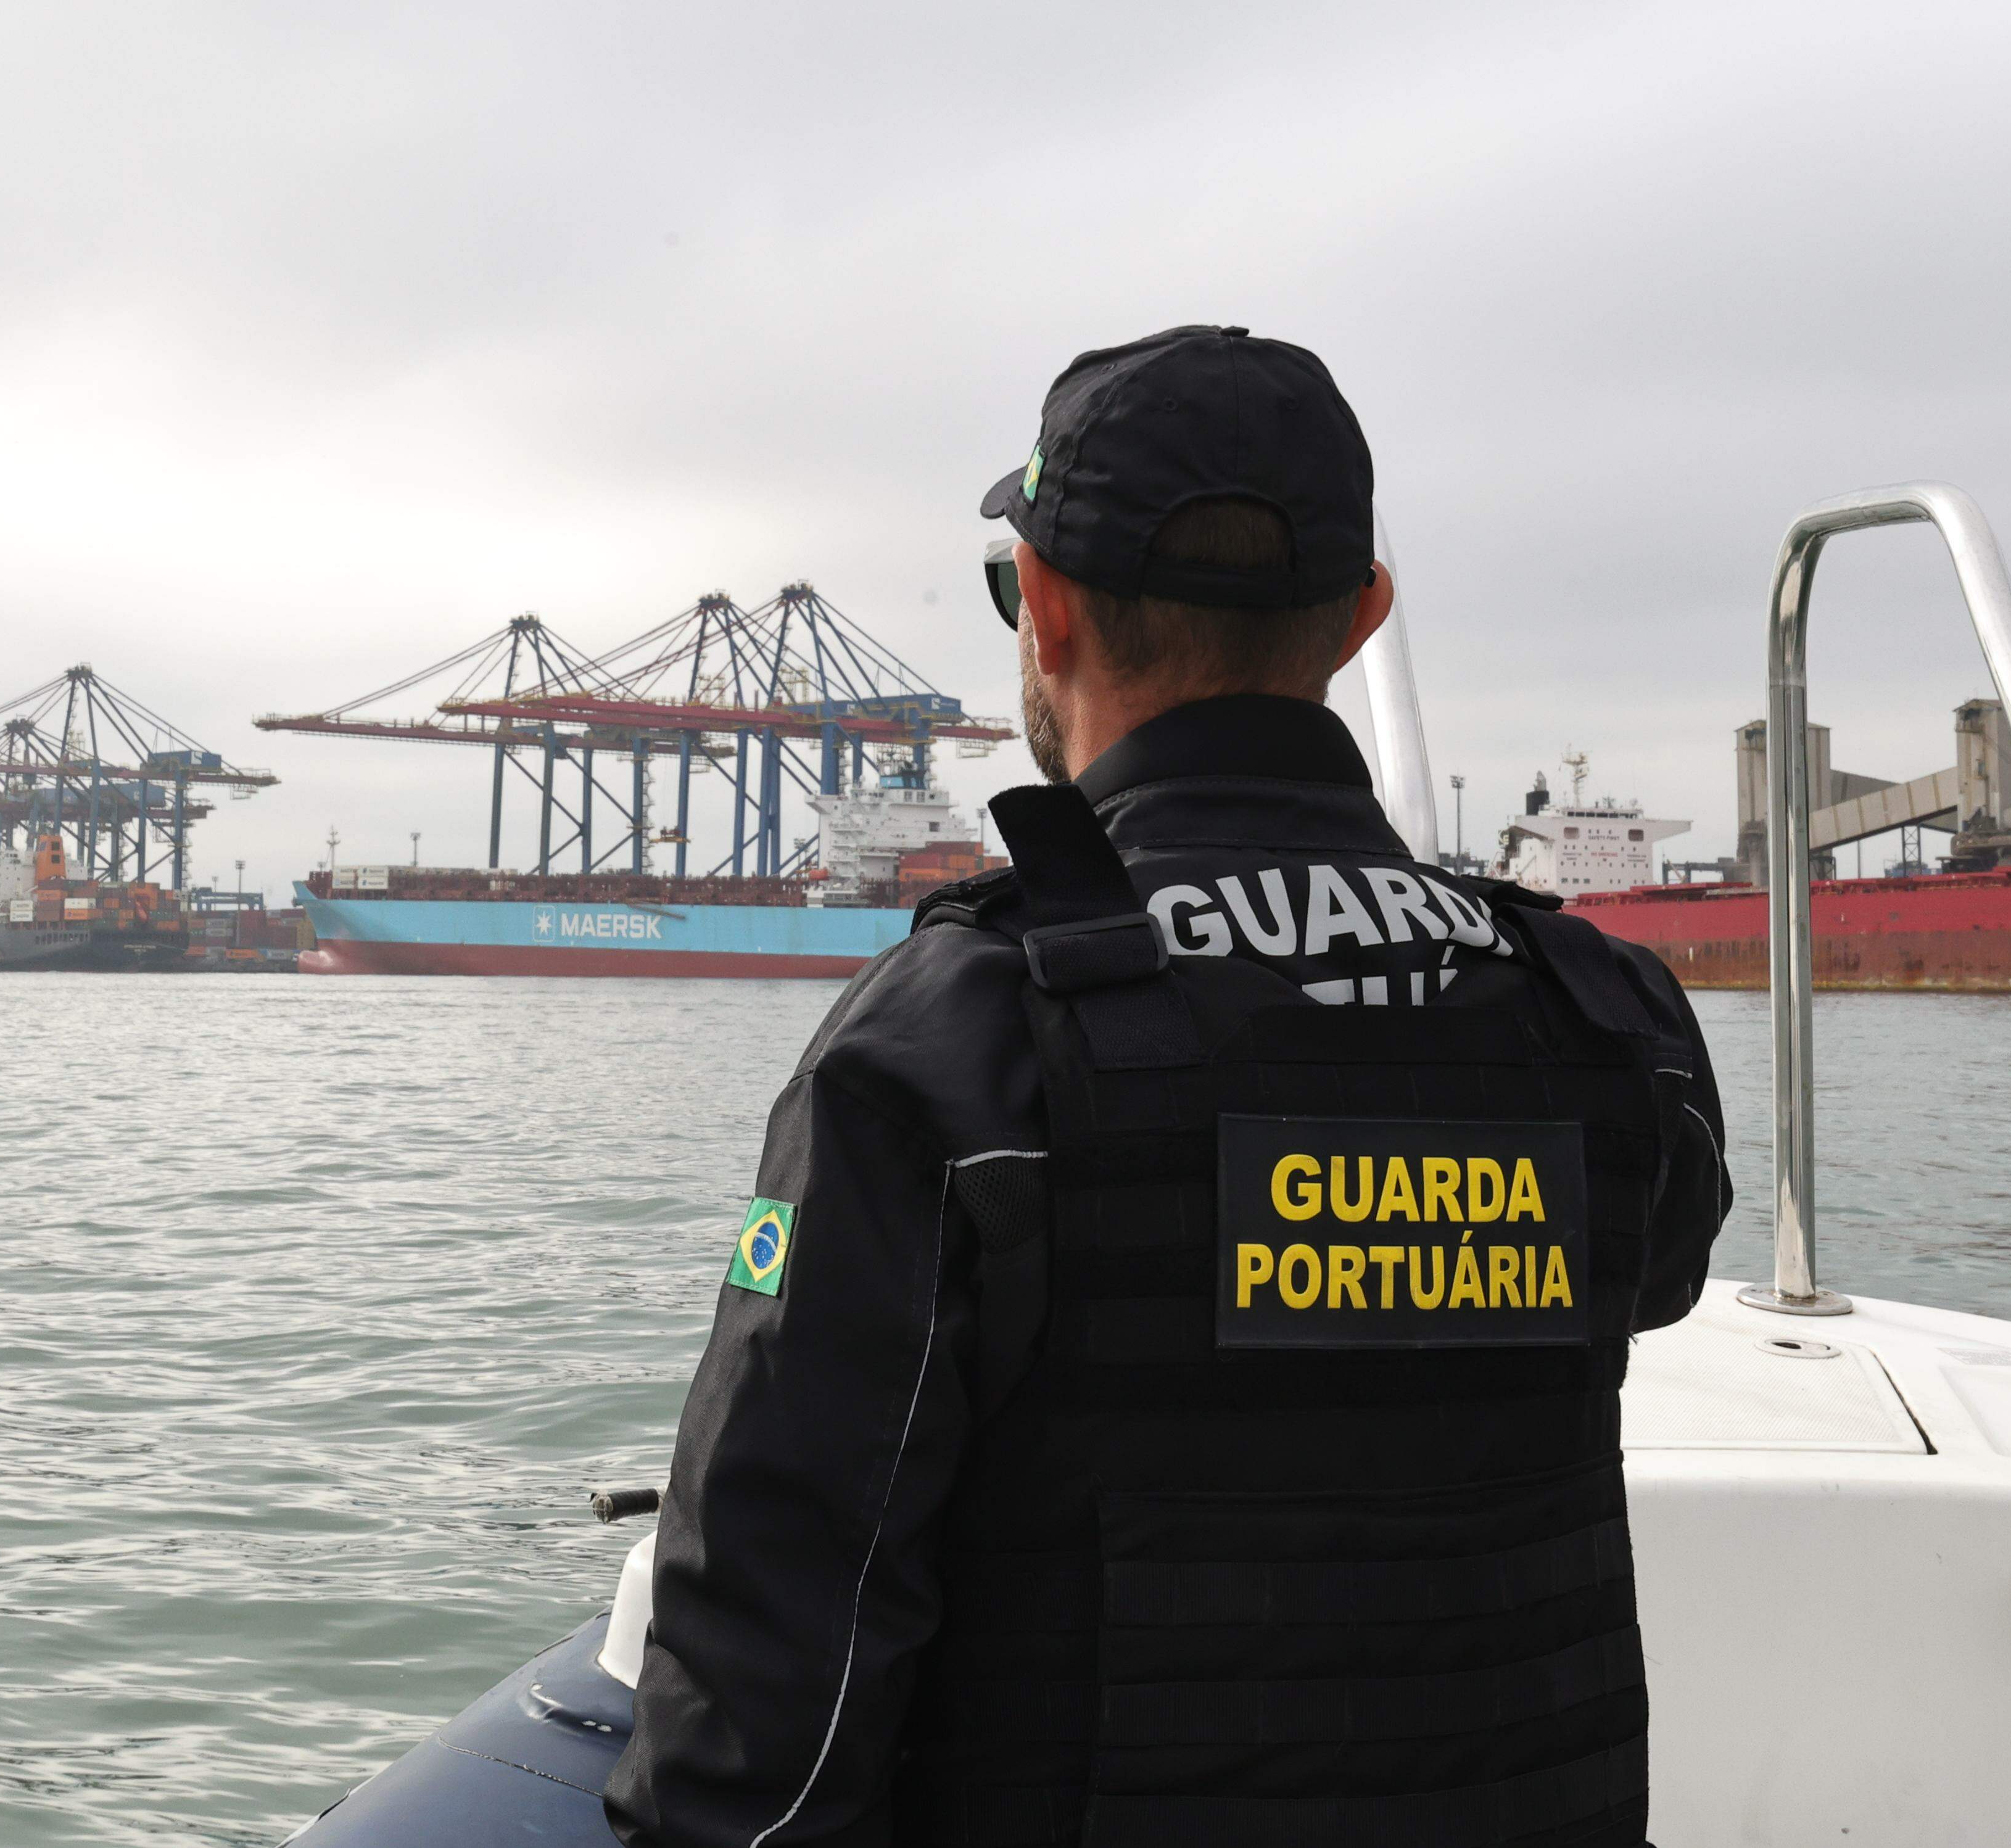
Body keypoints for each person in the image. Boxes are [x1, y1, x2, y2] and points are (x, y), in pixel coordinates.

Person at [605, 325, 1733, 1848]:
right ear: (1363, 618)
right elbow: (1644, 1282)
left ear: (1046, 606)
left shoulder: (956, 1042)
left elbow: (767, 1678)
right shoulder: (1605, 1015)